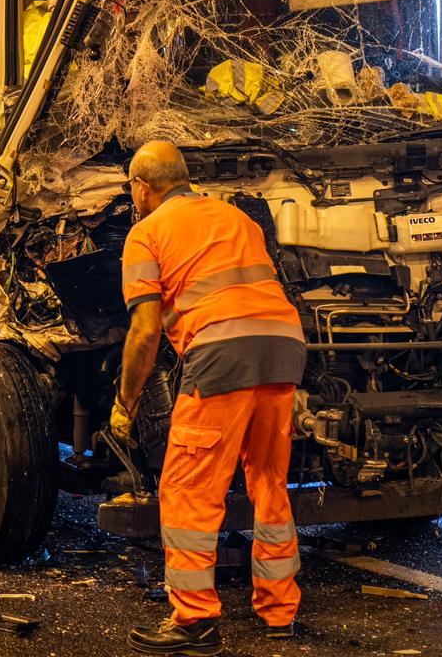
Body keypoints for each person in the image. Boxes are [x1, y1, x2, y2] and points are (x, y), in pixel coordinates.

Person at [113, 141, 306, 656]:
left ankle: (194, 621)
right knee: (268, 478)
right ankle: (279, 610)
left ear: (142, 187)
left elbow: (145, 330)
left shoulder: (145, 233)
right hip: (284, 344)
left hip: (224, 354)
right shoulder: (234, 217)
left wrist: (126, 400)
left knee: (188, 487)